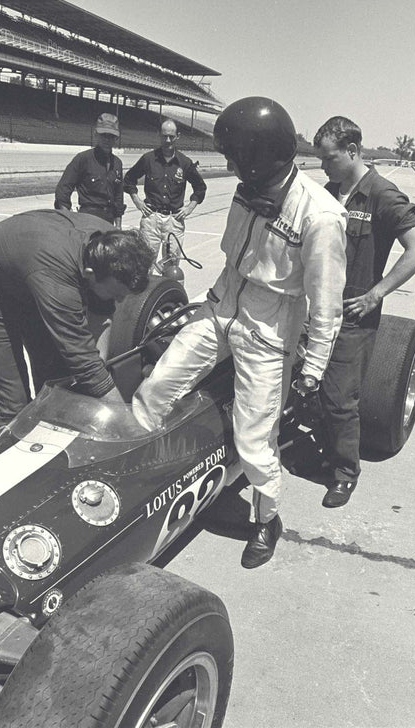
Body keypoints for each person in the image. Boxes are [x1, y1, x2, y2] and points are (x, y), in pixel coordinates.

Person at [131, 97, 347, 568]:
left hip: (269, 327)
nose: (227, 164)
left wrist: (312, 369)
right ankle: (142, 487)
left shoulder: (321, 216)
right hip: (219, 305)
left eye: (233, 157)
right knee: (155, 389)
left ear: (256, 158)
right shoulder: (248, 186)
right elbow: (236, 258)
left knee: (254, 437)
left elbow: (327, 305)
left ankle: (267, 518)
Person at [313, 116, 415, 507]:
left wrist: (376, 294)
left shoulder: (381, 193)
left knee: (340, 397)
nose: (323, 166)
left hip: (354, 313)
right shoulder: (329, 192)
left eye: (329, 159)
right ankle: (324, 449)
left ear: (352, 151)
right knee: (310, 385)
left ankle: (345, 472)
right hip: (316, 308)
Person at [0, 210, 153, 426]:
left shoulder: (111, 245)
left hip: (29, 276)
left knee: (55, 381)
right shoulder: (59, 282)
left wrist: (99, 374)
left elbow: (102, 316)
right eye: (117, 295)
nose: (120, 300)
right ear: (88, 273)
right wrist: (126, 426)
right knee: (15, 399)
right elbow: (83, 361)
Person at [123, 119, 206, 267]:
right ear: (159, 135)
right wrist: (137, 201)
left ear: (178, 136)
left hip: (174, 221)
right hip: (151, 220)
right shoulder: (148, 159)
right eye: (164, 136)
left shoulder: (185, 163)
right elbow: (129, 179)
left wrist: (189, 209)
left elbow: (200, 188)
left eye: (171, 136)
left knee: (171, 268)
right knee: (144, 266)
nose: (168, 140)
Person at [54, 113, 126, 225]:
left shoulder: (117, 163)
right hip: (87, 220)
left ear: (116, 138)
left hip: (108, 221)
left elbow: (118, 197)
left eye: (111, 136)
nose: (107, 140)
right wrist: (68, 217)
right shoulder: (83, 159)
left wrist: (118, 226)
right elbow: (63, 189)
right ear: (96, 134)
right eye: (104, 135)